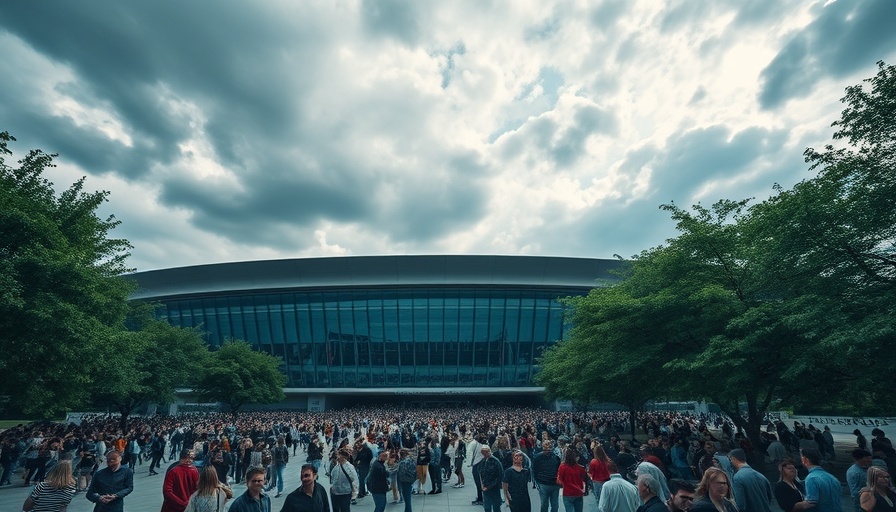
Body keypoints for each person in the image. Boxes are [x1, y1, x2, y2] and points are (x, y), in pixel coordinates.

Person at [728, 448, 774, 512]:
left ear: (733, 458)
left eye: (730, 459)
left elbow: (740, 505)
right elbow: (769, 498)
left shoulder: (737, 478)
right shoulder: (762, 476)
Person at [800, 448, 843, 512]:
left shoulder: (811, 478)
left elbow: (811, 503)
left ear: (805, 460)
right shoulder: (832, 478)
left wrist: (797, 506)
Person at [533, 440, 562, 512]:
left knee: (555, 505)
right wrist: (537, 482)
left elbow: (559, 470)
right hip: (543, 485)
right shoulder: (538, 457)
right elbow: (534, 470)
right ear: (542, 447)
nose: (547, 449)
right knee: (544, 505)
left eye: (549, 446)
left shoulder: (556, 457)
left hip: (555, 485)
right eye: (545, 447)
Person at [557, 447, 588, 512]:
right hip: (578, 492)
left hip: (567, 493)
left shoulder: (562, 467)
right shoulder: (580, 468)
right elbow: (585, 478)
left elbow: (560, 480)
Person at [589, 443, 611, 508]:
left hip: (597, 481)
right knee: (607, 498)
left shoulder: (593, 462)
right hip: (607, 480)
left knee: (598, 499)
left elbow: (591, 472)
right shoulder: (608, 461)